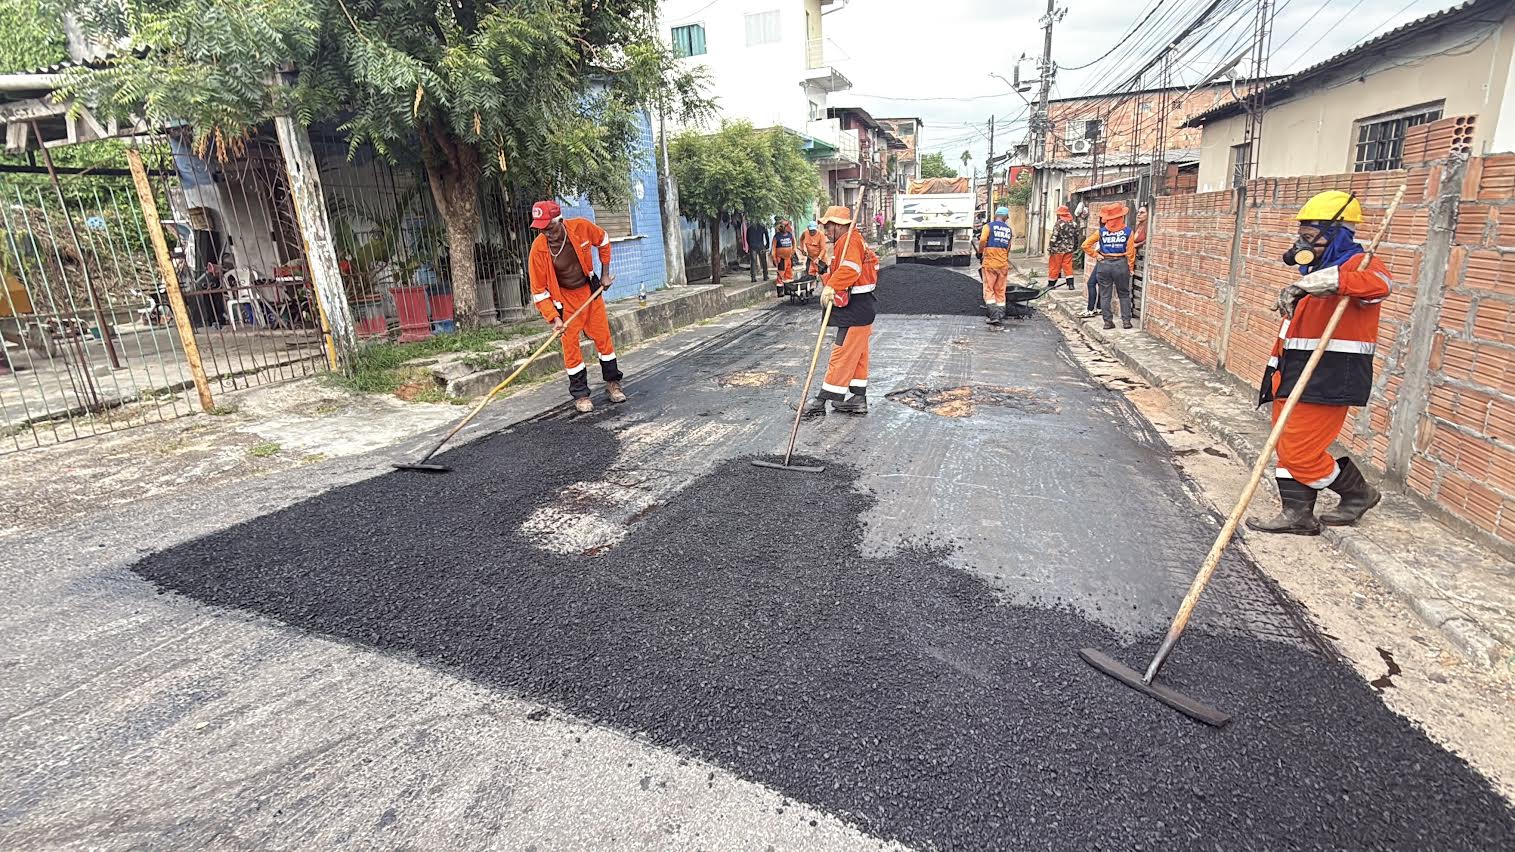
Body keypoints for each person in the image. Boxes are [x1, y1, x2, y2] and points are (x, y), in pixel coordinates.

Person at [1246, 190, 1390, 536]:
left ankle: (1359, 494)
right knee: (1284, 442)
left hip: (1330, 375)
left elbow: (1380, 286)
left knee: (1301, 451)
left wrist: (1315, 282)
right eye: (1302, 236)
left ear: (1336, 233)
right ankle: (1298, 515)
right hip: (1294, 371)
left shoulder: (1358, 265)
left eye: (1310, 237)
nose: (1302, 244)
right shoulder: (1318, 269)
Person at [527, 200, 624, 413]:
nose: (547, 233)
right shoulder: (538, 250)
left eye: (549, 228)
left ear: (560, 221)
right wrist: (554, 318)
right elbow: (539, 290)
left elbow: (604, 240)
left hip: (589, 292)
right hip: (565, 300)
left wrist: (605, 274)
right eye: (541, 229)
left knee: (603, 339)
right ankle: (580, 395)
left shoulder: (580, 227)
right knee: (571, 346)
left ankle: (612, 383)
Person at [803, 206, 876, 418]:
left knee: (842, 353)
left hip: (856, 308)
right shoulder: (851, 240)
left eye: (828, 226)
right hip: (863, 306)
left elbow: (851, 270)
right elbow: (843, 269)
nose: (825, 231)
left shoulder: (849, 240)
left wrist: (831, 287)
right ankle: (857, 399)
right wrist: (827, 276)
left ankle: (820, 400)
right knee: (858, 355)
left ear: (838, 225)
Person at [1081, 202, 1138, 330]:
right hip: (1121, 264)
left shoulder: (1101, 232)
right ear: (1121, 217)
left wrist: (1096, 255)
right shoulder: (1128, 232)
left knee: (1105, 293)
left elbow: (1085, 245)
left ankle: (1107, 322)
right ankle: (1126, 321)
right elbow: (1130, 252)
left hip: (1104, 265)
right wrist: (1130, 268)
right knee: (1123, 294)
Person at [977, 206, 1013, 327]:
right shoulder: (1009, 230)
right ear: (1006, 218)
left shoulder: (988, 227)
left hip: (990, 264)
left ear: (995, 215)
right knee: (1000, 290)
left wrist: (980, 252)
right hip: (1003, 264)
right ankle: (1000, 314)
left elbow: (982, 240)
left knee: (989, 289)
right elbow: (1008, 247)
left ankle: (994, 316)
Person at [1047, 206, 1080, 292]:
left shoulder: (1059, 223)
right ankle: (1070, 284)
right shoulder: (1074, 223)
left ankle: (1051, 284)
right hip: (1069, 249)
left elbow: (1054, 236)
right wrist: (1075, 247)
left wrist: (1050, 247)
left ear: (1060, 214)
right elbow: (1076, 236)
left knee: (1054, 266)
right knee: (1068, 266)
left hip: (1057, 249)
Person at [771, 219, 797, 297]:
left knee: (789, 274)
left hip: (789, 258)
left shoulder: (790, 235)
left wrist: (793, 250)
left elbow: (794, 242)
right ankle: (780, 292)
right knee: (780, 274)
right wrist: (774, 258)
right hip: (781, 259)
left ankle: (788, 290)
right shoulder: (777, 236)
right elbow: (773, 248)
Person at [745, 217, 770, 282]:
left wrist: (750, 245)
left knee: (753, 262)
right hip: (760, 246)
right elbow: (767, 236)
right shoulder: (762, 226)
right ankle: (765, 276)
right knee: (763, 262)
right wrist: (767, 245)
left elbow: (747, 238)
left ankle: (753, 277)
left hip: (753, 246)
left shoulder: (749, 228)